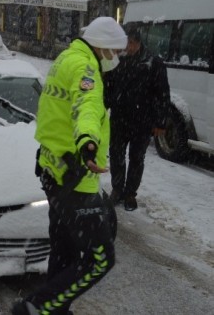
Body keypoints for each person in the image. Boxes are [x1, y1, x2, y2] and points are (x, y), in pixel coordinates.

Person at [12, 16, 124, 315]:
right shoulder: (86, 68)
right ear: (101, 47)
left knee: (65, 250)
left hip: (54, 173)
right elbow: (86, 106)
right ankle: (36, 308)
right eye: (114, 52)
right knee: (100, 260)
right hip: (75, 180)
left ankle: (55, 311)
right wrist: (88, 142)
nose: (116, 58)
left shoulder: (66, 58)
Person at [104, 26, 170, 211]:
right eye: (126, 43)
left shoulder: (153, 62)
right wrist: (103, 106)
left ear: (139, 43)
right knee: (116, 155)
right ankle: (117, 189)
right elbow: (108, 86)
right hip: (119, 118)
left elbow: (162, 93)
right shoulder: (117, 60)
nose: (128, 47)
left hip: (142, 121)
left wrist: (160, 122)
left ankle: (130, 193)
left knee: (137, 158)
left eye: (132, 43)